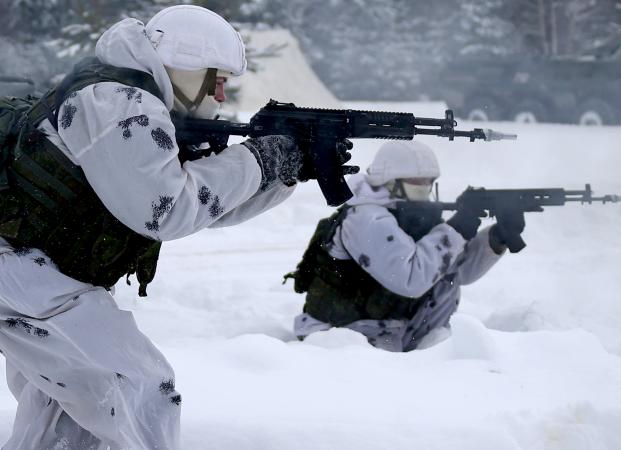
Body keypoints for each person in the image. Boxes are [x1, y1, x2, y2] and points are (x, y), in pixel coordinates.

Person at [0, 6, 326, 449]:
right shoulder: (121, 105)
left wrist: (282, 172)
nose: (221, 95)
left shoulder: (129, 101)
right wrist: (258, 161)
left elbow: (203, 207)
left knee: (69, 410)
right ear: (186, 67)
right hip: (24, 275)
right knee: (137, 388)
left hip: (34, 271)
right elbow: (167, 211)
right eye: (216, 80)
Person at [291, 141, 526, 352]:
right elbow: (411, 279)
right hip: (341, 337)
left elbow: (454, 271)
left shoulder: (408, 213)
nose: (424, 187)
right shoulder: (365, 217)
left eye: (429, 182)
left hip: (386, 327)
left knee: (445, 281)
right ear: (391, 181)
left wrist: (495, 239)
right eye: (416, 182)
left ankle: (432, 351)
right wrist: (457, 229)